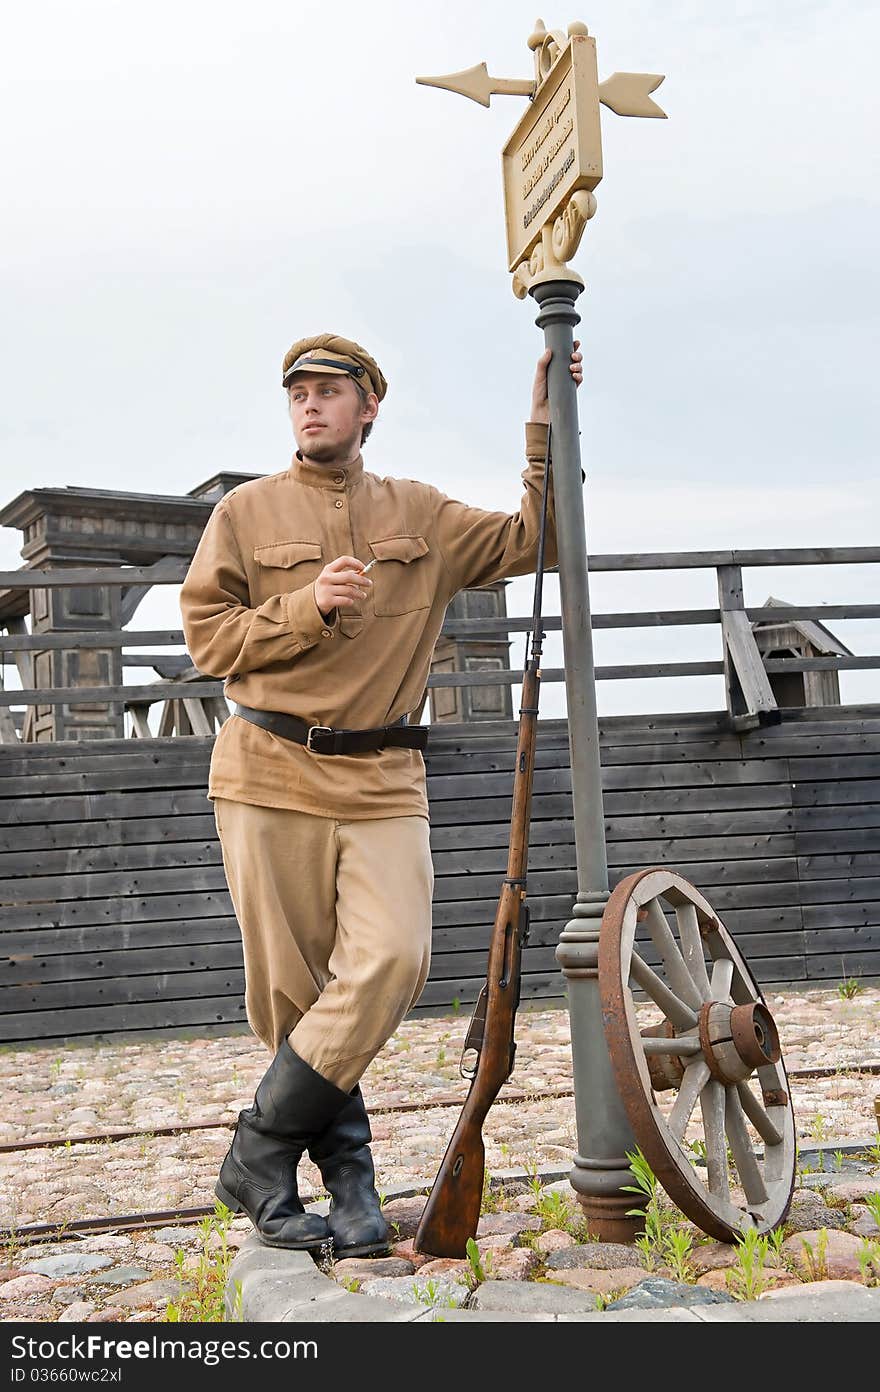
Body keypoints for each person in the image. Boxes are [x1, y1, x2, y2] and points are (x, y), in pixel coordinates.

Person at [179, 330, 582, 1258]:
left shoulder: (423, 514)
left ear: (368, 407)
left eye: (328, 391)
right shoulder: (245, 512)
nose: (310, 405)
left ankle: (259, 1149)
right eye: (297, 394)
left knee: (393, 960)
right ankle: (349, 1180)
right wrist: (305, 605)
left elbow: (542, 536)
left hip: (385, 778)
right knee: (293, 993)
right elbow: (209, 641)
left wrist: (544, 416)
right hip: (269, 769)